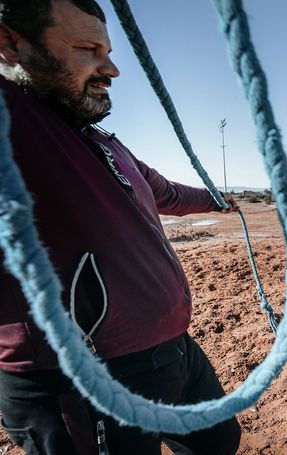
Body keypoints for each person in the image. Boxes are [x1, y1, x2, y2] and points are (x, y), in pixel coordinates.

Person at [0, 0, 241, 453]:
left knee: (219, 442)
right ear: (9, 43)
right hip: (82, 382)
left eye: (108, 50)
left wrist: (218, 200)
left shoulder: (102, 141)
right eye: (88, 48)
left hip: (174, 350)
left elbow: (166, 192)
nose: (111, 69)